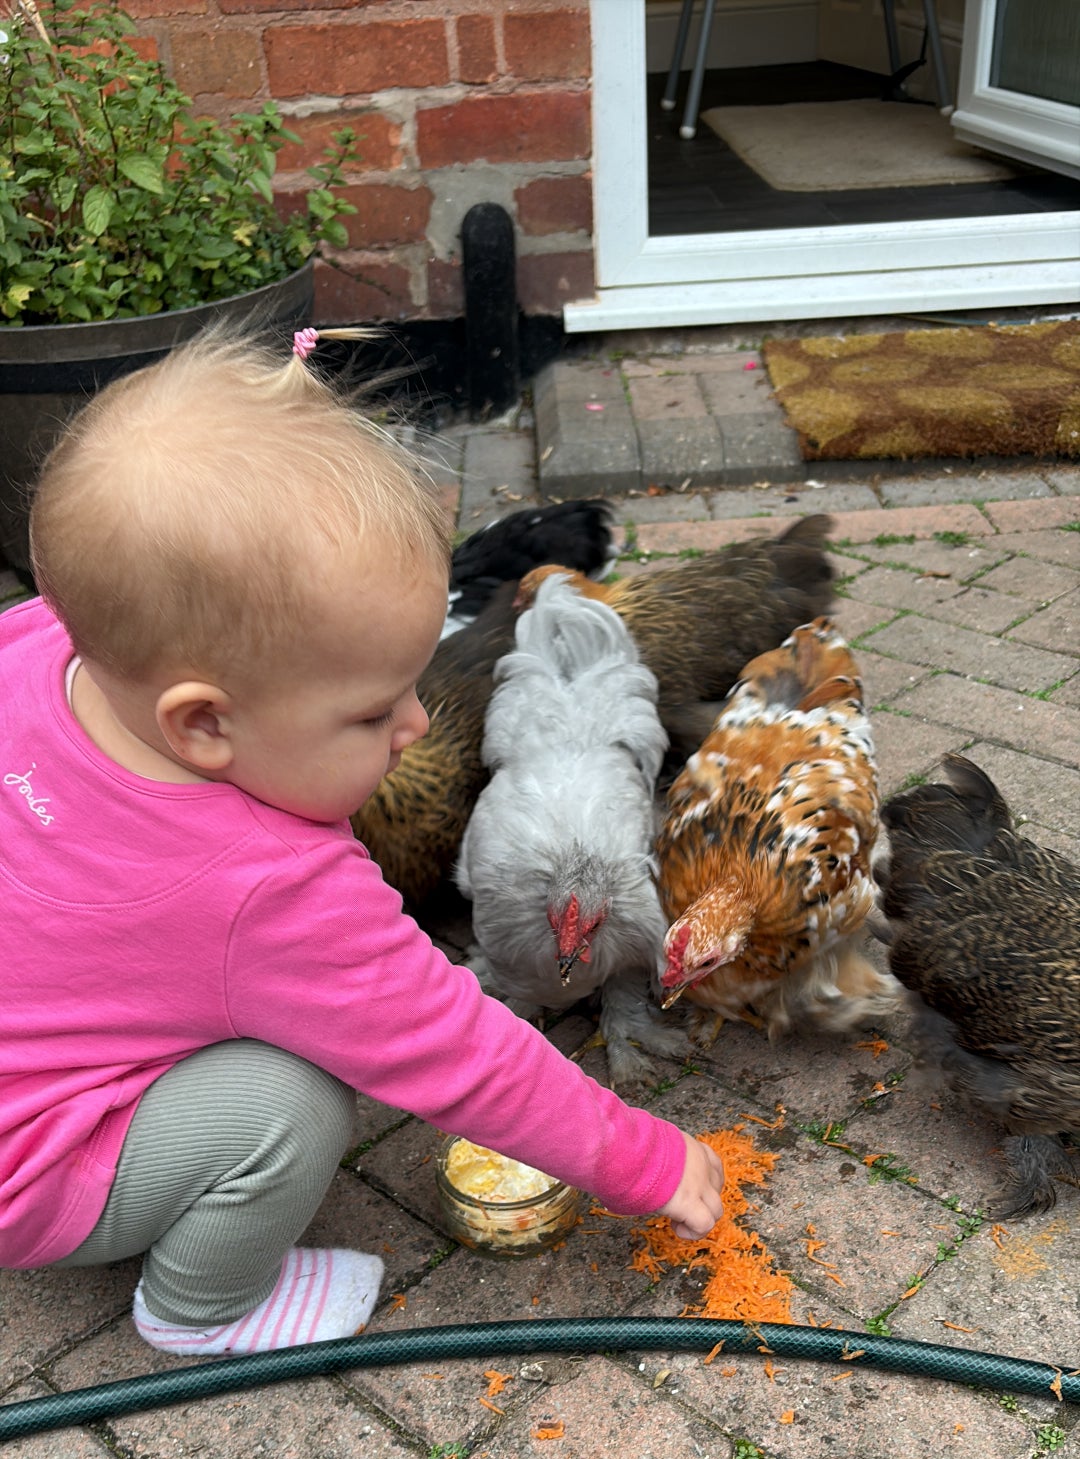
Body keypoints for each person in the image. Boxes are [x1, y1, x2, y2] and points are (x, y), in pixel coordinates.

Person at [0, 328, 724, 1357]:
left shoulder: (36, 647)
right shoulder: (274, 886)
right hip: (31, 1176)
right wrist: (643, 1160)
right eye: (371, 710)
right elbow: (458, 1056)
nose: (419, 726)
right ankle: (203, 1308)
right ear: (203, 724)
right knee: (291, 1102)